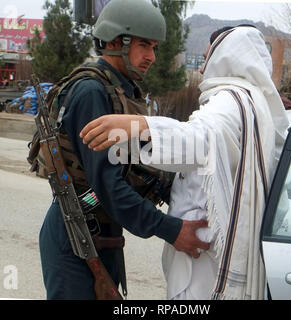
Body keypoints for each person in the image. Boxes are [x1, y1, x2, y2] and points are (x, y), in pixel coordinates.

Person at [80, 26, 290, 300]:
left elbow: (199, 139)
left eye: (207, 58)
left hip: (203, 258)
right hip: (214, 246)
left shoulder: (230, 101)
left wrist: (140, 125)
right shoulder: (255, 105)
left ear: (227, 57)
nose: (202, 69)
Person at [38, 0, 209, 300]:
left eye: (154, 47)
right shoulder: (91, 93)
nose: (152, 57)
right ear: (117, 41)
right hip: (75, 234)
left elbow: (143, 165)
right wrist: (170, 229)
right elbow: (107, 184)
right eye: (145, 45)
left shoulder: (122, 92)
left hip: (103, 235)